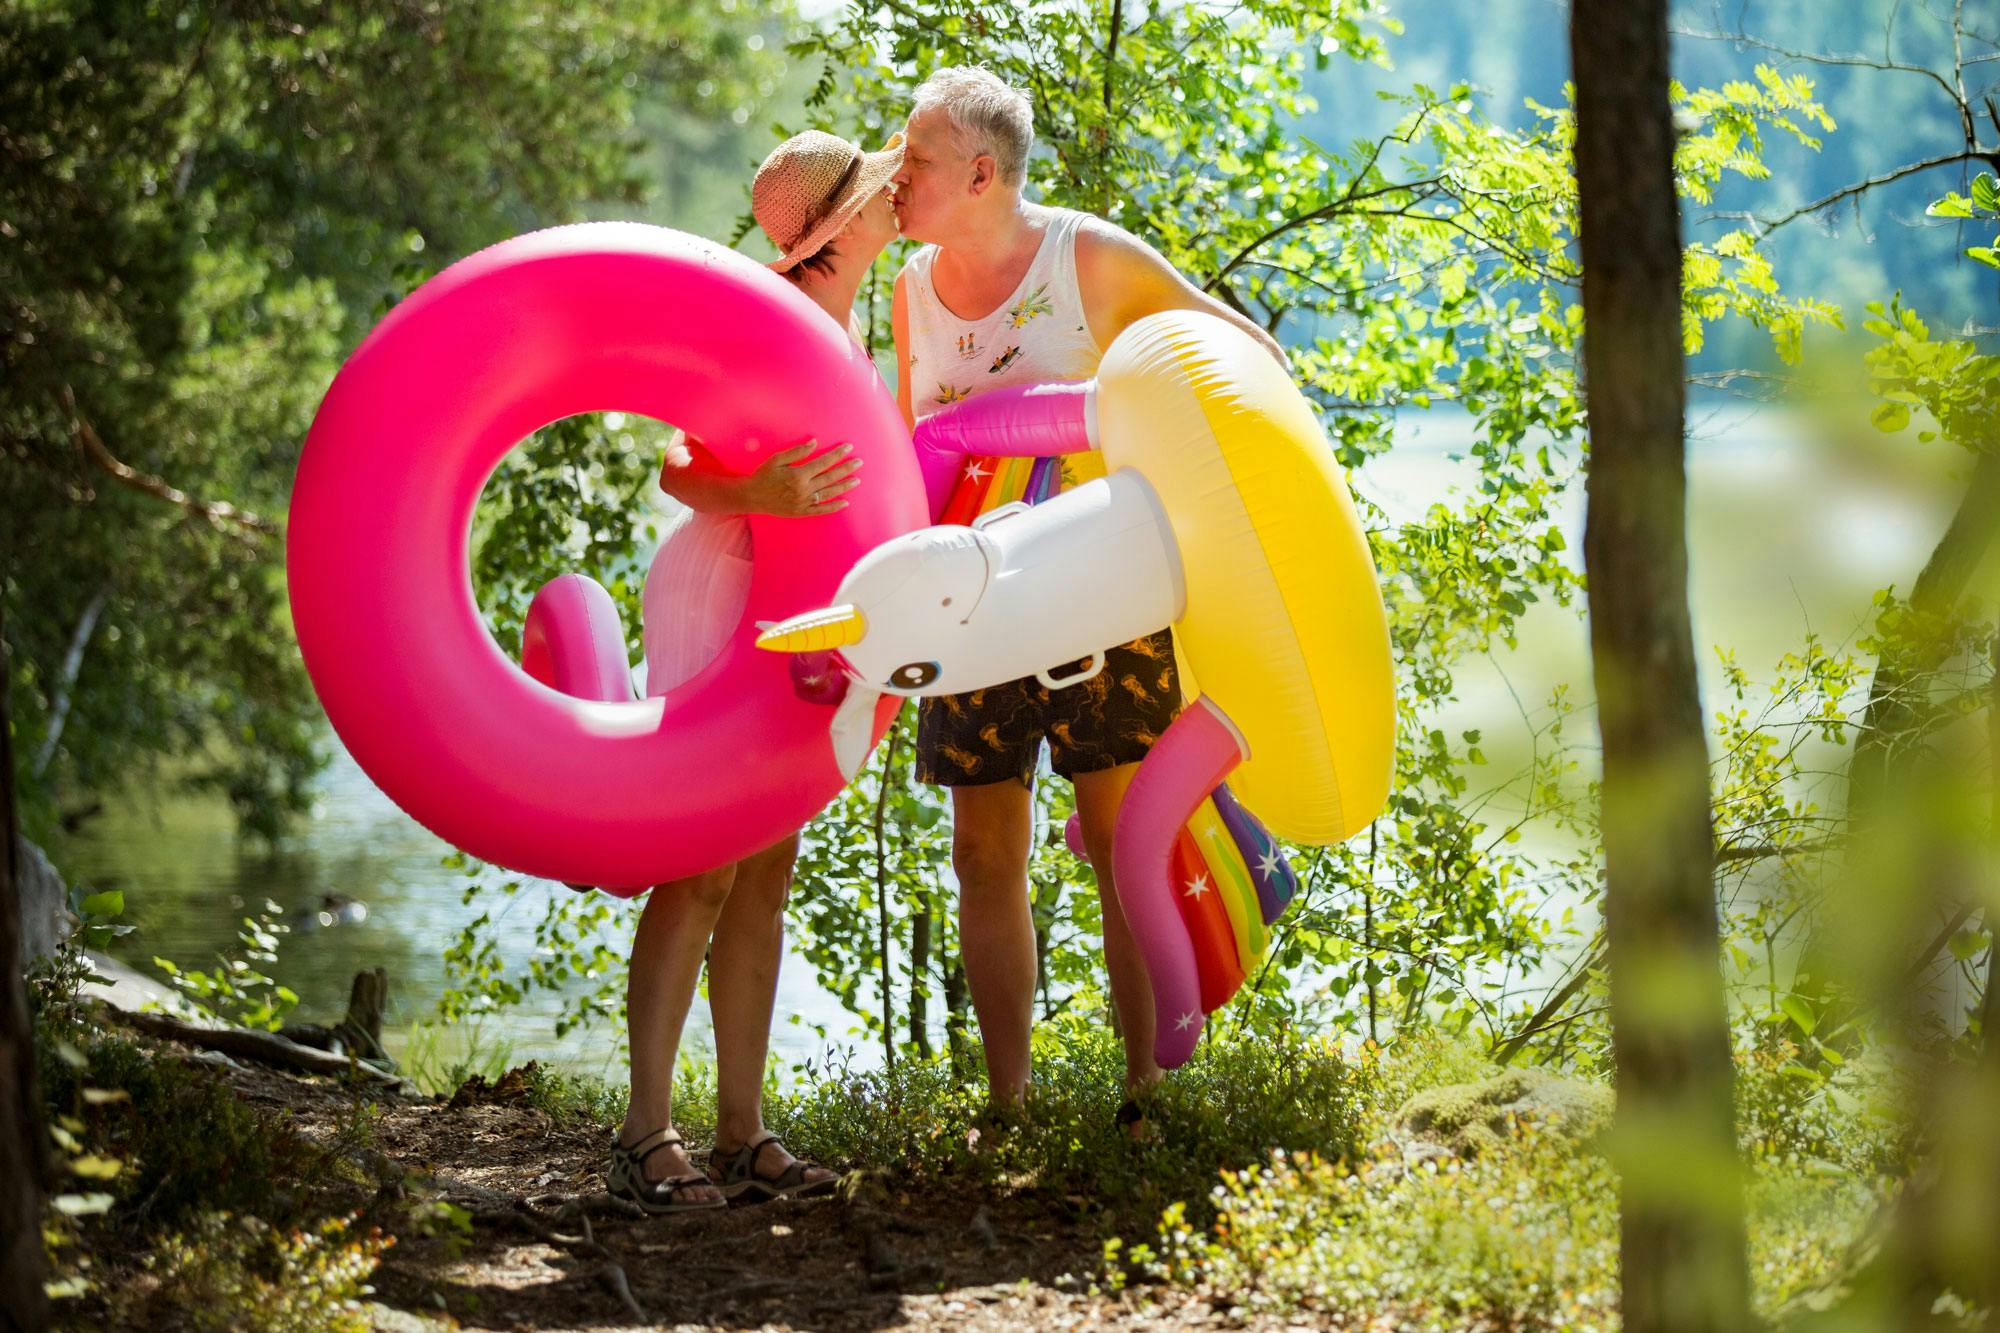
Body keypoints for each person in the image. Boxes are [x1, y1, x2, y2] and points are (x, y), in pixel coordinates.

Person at [888, 66, 1287, 1134]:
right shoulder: (910, 285)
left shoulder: (1088, 257)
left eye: (914, 157)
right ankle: (1006, 1106)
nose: (895, 173)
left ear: (979, 172)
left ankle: (1142, 1093)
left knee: (1122, 844)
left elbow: (1244, 353)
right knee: (982, 855)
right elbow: (908, 446)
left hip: (1104, 606)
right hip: (967, 616)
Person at [609, 128, 903, 1213]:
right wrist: (758, 496)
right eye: (881, 193)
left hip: (798, 603)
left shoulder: (853, 319)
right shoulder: (767, 319)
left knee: (767, 865)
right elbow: (676, 463)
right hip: (718, 585)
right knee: (702, 859)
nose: (896, 200)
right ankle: (643, 1130)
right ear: (837, 231)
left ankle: (741, 1130)